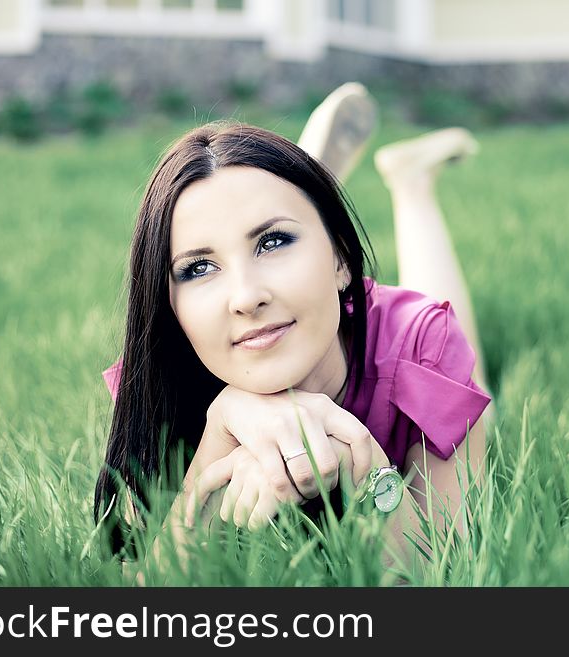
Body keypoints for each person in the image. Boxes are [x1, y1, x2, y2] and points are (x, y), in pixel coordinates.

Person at [94, 82, 493, 575]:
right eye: (198, 268)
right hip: (310, 303)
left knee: (466, 361)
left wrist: (360, 469)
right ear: (168, 304)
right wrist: (220, 435)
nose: (245, 298)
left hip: (390, 336)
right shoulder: (159, 380)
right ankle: (296, 201)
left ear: (344, 260)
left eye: (272, 241)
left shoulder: (422, 347)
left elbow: (445, 570)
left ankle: (409, 183)